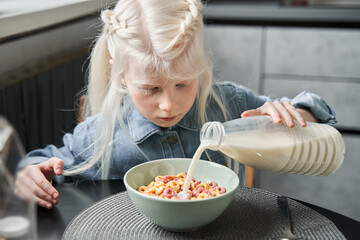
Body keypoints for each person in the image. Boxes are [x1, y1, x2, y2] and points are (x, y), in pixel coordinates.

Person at [15, 0, 336, 209]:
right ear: (121, 74)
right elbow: (40, 164)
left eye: (183, 83)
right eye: (151, 88)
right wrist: (29, 174)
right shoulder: (99, 136)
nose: (168, 105)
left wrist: (293, 115)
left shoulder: (230, 103)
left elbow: (321, 119)